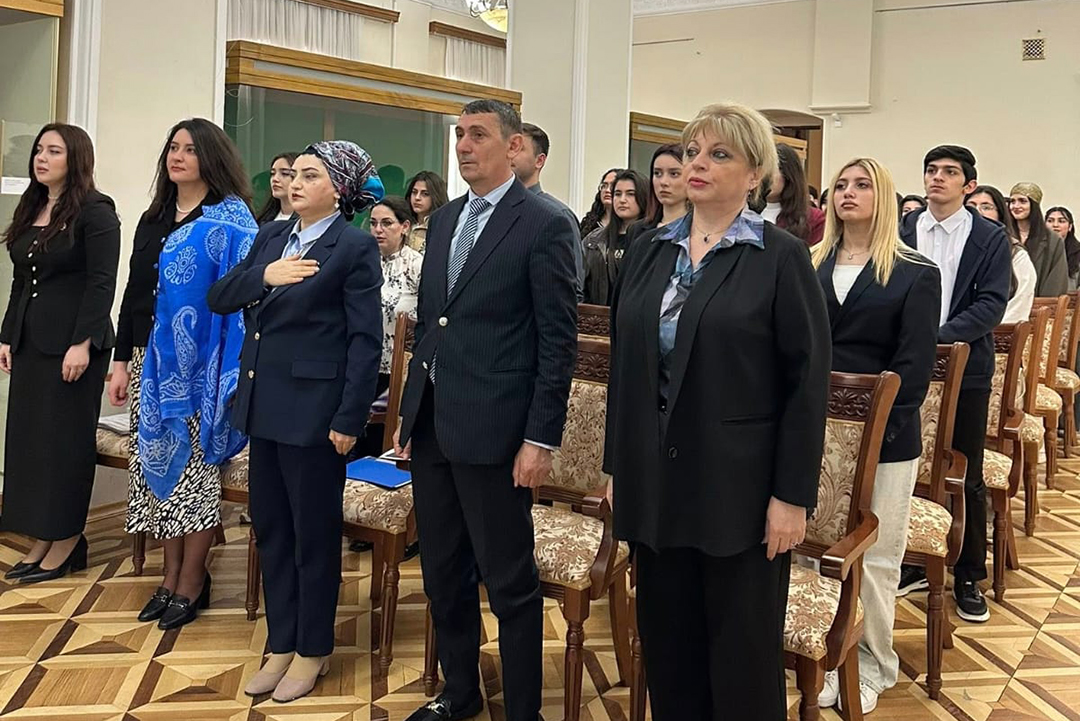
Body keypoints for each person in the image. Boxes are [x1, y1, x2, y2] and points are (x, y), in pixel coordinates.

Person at [605, 102, 831, 720]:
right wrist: (618, 466)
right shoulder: (649, 249)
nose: (697, 164)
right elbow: (627, 366)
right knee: (669, 652)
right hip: (656, 485)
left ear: (756, 174)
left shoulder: (780, 256)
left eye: (719, 154)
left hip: (740, 491)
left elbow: (806, 385)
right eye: (692, 152)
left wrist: (791, 496)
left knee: (741, 661)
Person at [392, 99, 577, 721]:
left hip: (497, 429)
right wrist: (410, 413)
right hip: (434, 425)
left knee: (509, 582)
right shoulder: (445, 219)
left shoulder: (544, 222)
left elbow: (557, 343)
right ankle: (460, 692)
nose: (464, 146)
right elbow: (433, 325)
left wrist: (540, 438)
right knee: (443, 572)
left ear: (513, 145)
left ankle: (524, 709)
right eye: (459, 135)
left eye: (478, 135)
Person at [208, 141, 384, 703]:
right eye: (294, 174)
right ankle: (281, 643)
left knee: (313, 537)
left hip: (315, 414)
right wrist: (267, 275)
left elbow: (365, 341)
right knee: (272, 531)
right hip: (264, 407)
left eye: (311, 175)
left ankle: (312, 649)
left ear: (339, 190)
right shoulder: (271, 237)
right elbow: (220, 297)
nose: (295, 182)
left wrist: (350, 416)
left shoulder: (353, 246)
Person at [107, 118, 257, 630]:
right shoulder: (154, 217)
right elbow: (134, 292)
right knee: (157, 473)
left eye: (190, 149)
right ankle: (168, 575)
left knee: (194, 479)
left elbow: (241, 298)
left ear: (210, 158)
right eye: (173, 147)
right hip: (151, 362)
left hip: (204, 368)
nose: (178, 156)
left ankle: (193, 578)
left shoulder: (231, 220)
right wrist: (121, 361)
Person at [811, 158, 941, 714]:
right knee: (813, 551)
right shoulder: (809, 262)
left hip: (884, 439)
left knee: (876, 558)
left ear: (882, 196)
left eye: (861, 185)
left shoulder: (914, 272)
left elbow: (913, 368)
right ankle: (822, 655)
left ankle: (871, 664)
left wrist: (868, 435)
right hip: (810, 430)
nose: (848, 193)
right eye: (840, 185)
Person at [0, 123, 121, 583]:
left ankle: (68, 539)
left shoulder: (96, 211)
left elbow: (101, 283)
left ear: (76, 158)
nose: (41, 157)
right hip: (32, 343)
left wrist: (82, 343)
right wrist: (7, 336)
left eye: (53, 150)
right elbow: (21, 281)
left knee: (64, 445)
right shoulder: (32, 205)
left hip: (74, 347)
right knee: (31, 444)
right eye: (39, 150)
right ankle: (42, 537)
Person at [897, 145, 1010, 622]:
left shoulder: (989, 236)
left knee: (966, 471)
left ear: (969, 185)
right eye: (931, 170)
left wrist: (935, 338)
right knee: (902, 467)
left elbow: (991, 304)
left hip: (965, 366)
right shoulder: (904, 229)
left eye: (948, 172)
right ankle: (910, 559)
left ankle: (967, 574)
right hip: (903, 366)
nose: (937, 178)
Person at [511, 122, 585, 299]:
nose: (511, 154)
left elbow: (573, 286)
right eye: (509, 147)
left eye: (519, 149)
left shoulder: (557, 215)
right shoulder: (492, 210)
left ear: (539, 160)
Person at [370, 196, 424, 394]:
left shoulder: (417, 265)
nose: (378, 230)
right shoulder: (363, 262)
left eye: (387, 223)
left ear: (405, 227)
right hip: (363, 364)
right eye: (373, 223)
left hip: (401, 370)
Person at [966, 185, 1036, 324]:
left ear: (1000, 214)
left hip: (997, 329)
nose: (978, 212)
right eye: (971, 206)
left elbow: (1018, 306)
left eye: (986, 207)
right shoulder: (955, 247)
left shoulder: (1016, 254)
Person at [582, 169, 647, 305]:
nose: (622, 200)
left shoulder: (653, 240)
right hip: (598, 315)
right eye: (617, 194)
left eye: (630, 194)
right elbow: (578, 285)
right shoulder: (592, 241)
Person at [759, 142, 825, 245]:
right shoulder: (742, 213)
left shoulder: (814, 219)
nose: (765, 176)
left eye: (772, 169)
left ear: (789, 175)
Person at [1009, 182, 1068, 297]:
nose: (1016, 206)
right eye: (1012, 201)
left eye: (1022, 201)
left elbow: (1056, 280)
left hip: (1038, 303)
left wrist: (1045, 306)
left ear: (1034, 205)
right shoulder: (1003, 235)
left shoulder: (1052, 240)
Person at [626, 143, 688, 247]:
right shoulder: (637, 230)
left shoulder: (698, 231)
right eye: (657, 173)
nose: (663, 182)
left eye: (674, 174)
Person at [404, 170, 449, 253]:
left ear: (436, 196)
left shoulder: (442, 227)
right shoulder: (402, 224)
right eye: (414, 192)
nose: (417, 198)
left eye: (425, 194)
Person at [255, 152, 299, 225]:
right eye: (272, 173)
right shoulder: (263, 219)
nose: (275, 179)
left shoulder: (307, 221)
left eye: (284, 173)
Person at [1045, 206, 1080, 290]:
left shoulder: (1078, 251)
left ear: (1070, 227)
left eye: (1061, 221)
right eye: (1050, 221)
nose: (1055, 225)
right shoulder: (1037, 250)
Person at [579, 167, 620, 237]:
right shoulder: (589, 223)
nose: (607, 190)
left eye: (613, 186)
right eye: (604, 186)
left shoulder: (627, 225)